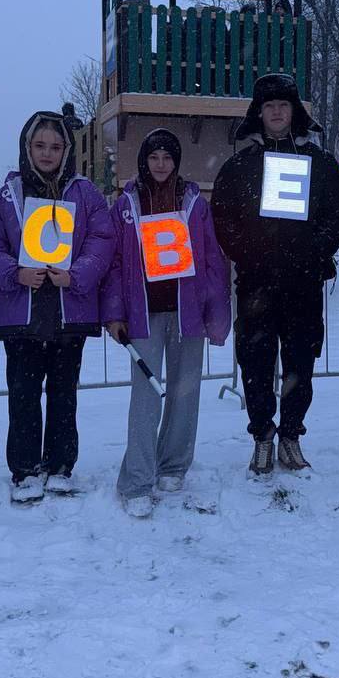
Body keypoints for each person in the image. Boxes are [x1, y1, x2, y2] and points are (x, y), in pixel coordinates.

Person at [211, 73, 339, 474]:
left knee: (300, 363)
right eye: (269, 105)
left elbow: (338, 213)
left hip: (303, 282)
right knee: (255, 361)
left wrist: (312, 250)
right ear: (259, 112)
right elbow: (224, 219)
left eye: (283, 105)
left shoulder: (320, 165)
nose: (276, 111)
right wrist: (250, 252)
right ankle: (262, 436)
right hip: (256, 282)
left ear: (294, 112)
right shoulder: (239, 166)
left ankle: (291, 434)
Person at [0, 111, 114, 504]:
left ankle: (60, 465)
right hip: (23, 314)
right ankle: (24, 470)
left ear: (66, 149)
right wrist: (14, 272)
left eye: (55, 146)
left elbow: (102, 241)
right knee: (23, 394)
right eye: (40, 146)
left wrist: (79, 274)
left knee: (64, 394)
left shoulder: (85, 193)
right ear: (27, 148)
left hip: (69, 311)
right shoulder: (7, 196)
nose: (48, 153)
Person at [102, 128, 231, 518]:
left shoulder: (194, 204)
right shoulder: (126, 205)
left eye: (167, 158)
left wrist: (215, 312)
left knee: (184, 392)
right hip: (143, 314)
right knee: (145, 398)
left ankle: (173, 465)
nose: (161, 164)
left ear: (176, 162)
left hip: (186, 311)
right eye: (154, 157)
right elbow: (113, 263)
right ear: (144, 161)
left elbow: (211, 259)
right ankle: (137, 479)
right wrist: (114, 313)